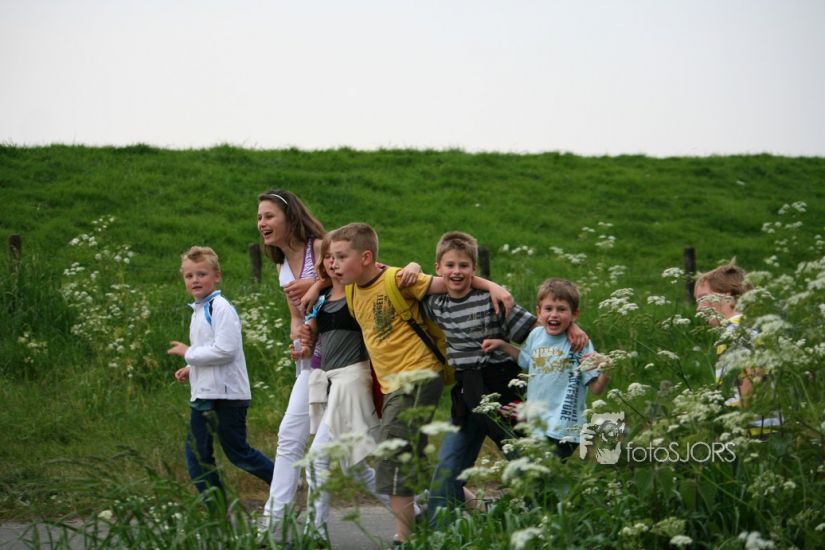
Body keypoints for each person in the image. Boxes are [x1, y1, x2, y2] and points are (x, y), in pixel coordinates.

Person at [327, 222, 513, 544]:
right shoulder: (354, 288)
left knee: (393, 454)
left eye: (341, 257)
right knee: (413, 459)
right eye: (331, 258)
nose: (333, 264)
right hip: (391, 385)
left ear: (366, 257)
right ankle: (481, 509)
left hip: (418, 375)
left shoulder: (398, 280)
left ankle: (405, 538)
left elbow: (453, 281)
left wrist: (493, 286)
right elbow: (323, 281)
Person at [425, 232, 589, 522]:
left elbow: (543, 328)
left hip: (502, 390)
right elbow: (403, 280)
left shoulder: (494, 301)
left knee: (528, 467)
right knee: (447, 469)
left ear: (474, 269)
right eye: (449, 265)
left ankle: (550, 524)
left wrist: (572, 327)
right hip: (466, 395)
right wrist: (414, 268)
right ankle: (439, 533)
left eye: (464, 266)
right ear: (438, 268)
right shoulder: (435, 303)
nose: (456, 271)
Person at [167, 246, 274, 508]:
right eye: (189, 276)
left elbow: (226, 350)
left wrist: (189, 353)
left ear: (216, 276)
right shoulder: (199, 310)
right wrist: (191, 367)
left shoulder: (220, 307)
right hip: (206, 393)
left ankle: (286, 483)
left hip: (227, 396)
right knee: (198, 456)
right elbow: (209, 349)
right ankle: (217, 512)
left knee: (238, 453)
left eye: (201, 274)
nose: (195, 280)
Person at [256, 189, 325, 530]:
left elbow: (355, 280)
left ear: (290, 217)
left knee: (357, 454)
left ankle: (420, 508)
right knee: (289, 437)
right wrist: (297, 337)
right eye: (259, 218)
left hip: (345, 359)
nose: (262, 223)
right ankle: (272, 525)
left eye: (269, 216)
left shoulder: (321, 249)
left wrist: (315, 283)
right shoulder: (282, 264)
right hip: (311, 363)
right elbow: (296, 316)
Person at [483, 278, 609, 459]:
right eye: (548, 309)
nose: (554, 315)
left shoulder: (579, 343)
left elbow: (596, 388)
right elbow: (526, 360)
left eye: (561, 309)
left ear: (574, 314)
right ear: (539, 312)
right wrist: (503, 345)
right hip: (537, 425)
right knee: (529, 469)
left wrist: (607, 367)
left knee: (537, 470)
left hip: (564, 428)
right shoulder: (536, 335)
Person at [694, 261, 782, 436]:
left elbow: (752, 379)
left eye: (702, 298)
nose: (698, 309)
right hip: (766, 428)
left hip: (754, 433)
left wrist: (729, 423)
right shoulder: (751, 327)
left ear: (727, 295)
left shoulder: (736, 332)